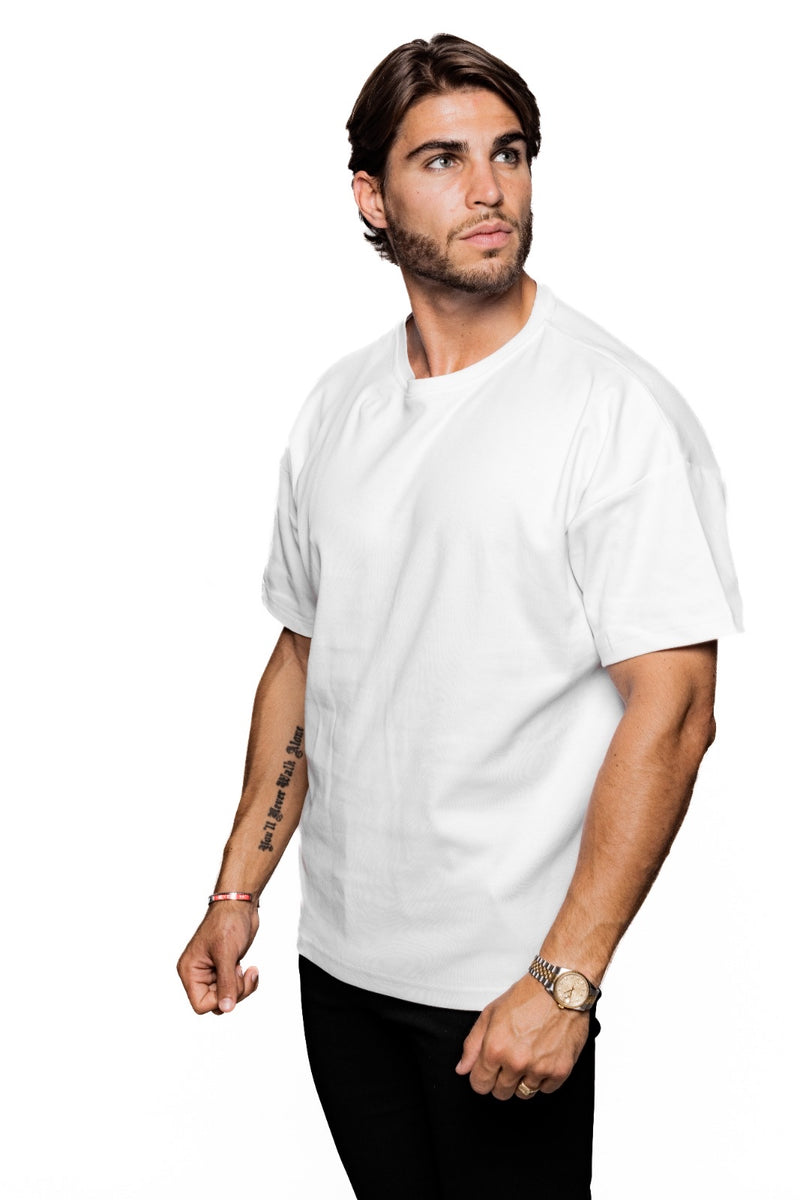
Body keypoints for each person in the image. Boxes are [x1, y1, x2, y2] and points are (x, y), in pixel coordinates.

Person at [177, 34, 742, 1198]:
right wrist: (237, 890)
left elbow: (675, 710)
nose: (488, 189)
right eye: (442, 159)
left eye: (509, 153)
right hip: (340, 966)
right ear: (371, 197)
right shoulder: (337, 404)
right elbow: (306, 657)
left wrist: (565, 980)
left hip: (505, 985)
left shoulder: (611, 410)